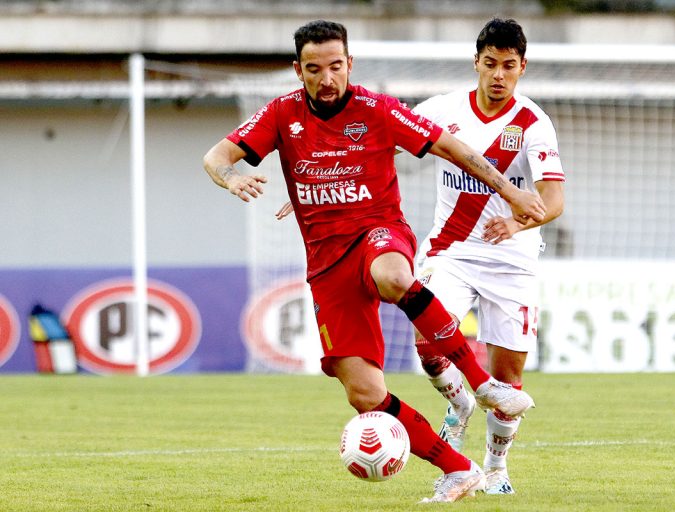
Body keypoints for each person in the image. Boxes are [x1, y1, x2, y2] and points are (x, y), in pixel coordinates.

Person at [203, 20, 545, 503]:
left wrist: (509, 189)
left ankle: (483, 383)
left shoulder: (377, 108)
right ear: (297, 69)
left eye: (336, 66)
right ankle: (458, 469)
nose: (327, 79)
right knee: (365, 395)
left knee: (392, 275)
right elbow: (215, 157)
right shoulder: (281, 113)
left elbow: (452, 147)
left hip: (377, 232)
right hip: (326, 264)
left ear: (350, 64)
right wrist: (231, 177)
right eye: (315, 69)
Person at [410, 18, 565, 495]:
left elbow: (554, 201)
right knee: (427, 342)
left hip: (512, 259)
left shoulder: (533, 123)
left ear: (522, 68)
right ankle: (458, 404)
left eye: (509, 66)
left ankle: (496, 468)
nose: (499, 75)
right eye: (491, 64)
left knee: (508, 378)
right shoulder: (441, 109)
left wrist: (518, 222)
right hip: (450, 250)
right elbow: (384, 138)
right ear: (476, 62)